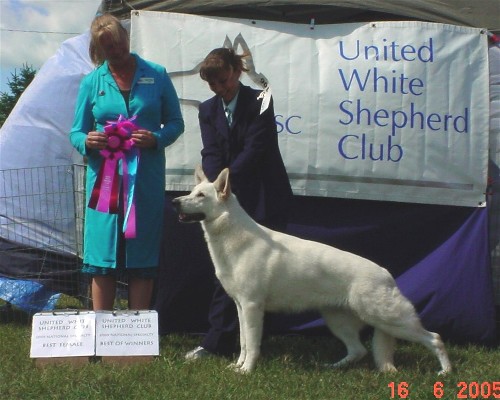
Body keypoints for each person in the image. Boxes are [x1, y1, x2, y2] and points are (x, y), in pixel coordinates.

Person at [69, 14, 184, 311]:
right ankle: (101, 329)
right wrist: (87, 141)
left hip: (144, 179)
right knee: (102, 252)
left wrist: (156, 138)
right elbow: (76, 131)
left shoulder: (157, 75)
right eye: (109, 49)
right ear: (99, 51)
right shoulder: (91, 82)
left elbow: (175, 122)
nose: (117, 52)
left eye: (119, 45)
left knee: (141, 251)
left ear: (126, 40)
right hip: (103, 183)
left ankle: (137, 334)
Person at [185, 47, 292, 360]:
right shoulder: (207, 110)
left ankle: (258, 344)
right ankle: (217, 342)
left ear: (236, 70)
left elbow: (257, 148)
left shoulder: (261, 101)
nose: (220, 88)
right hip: (227, 200)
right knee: (231, 271)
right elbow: (212, 151)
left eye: (224, 80)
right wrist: (214, 182)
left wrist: (225, 183)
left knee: (267, 272)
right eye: (213, 84)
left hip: (263, 196)